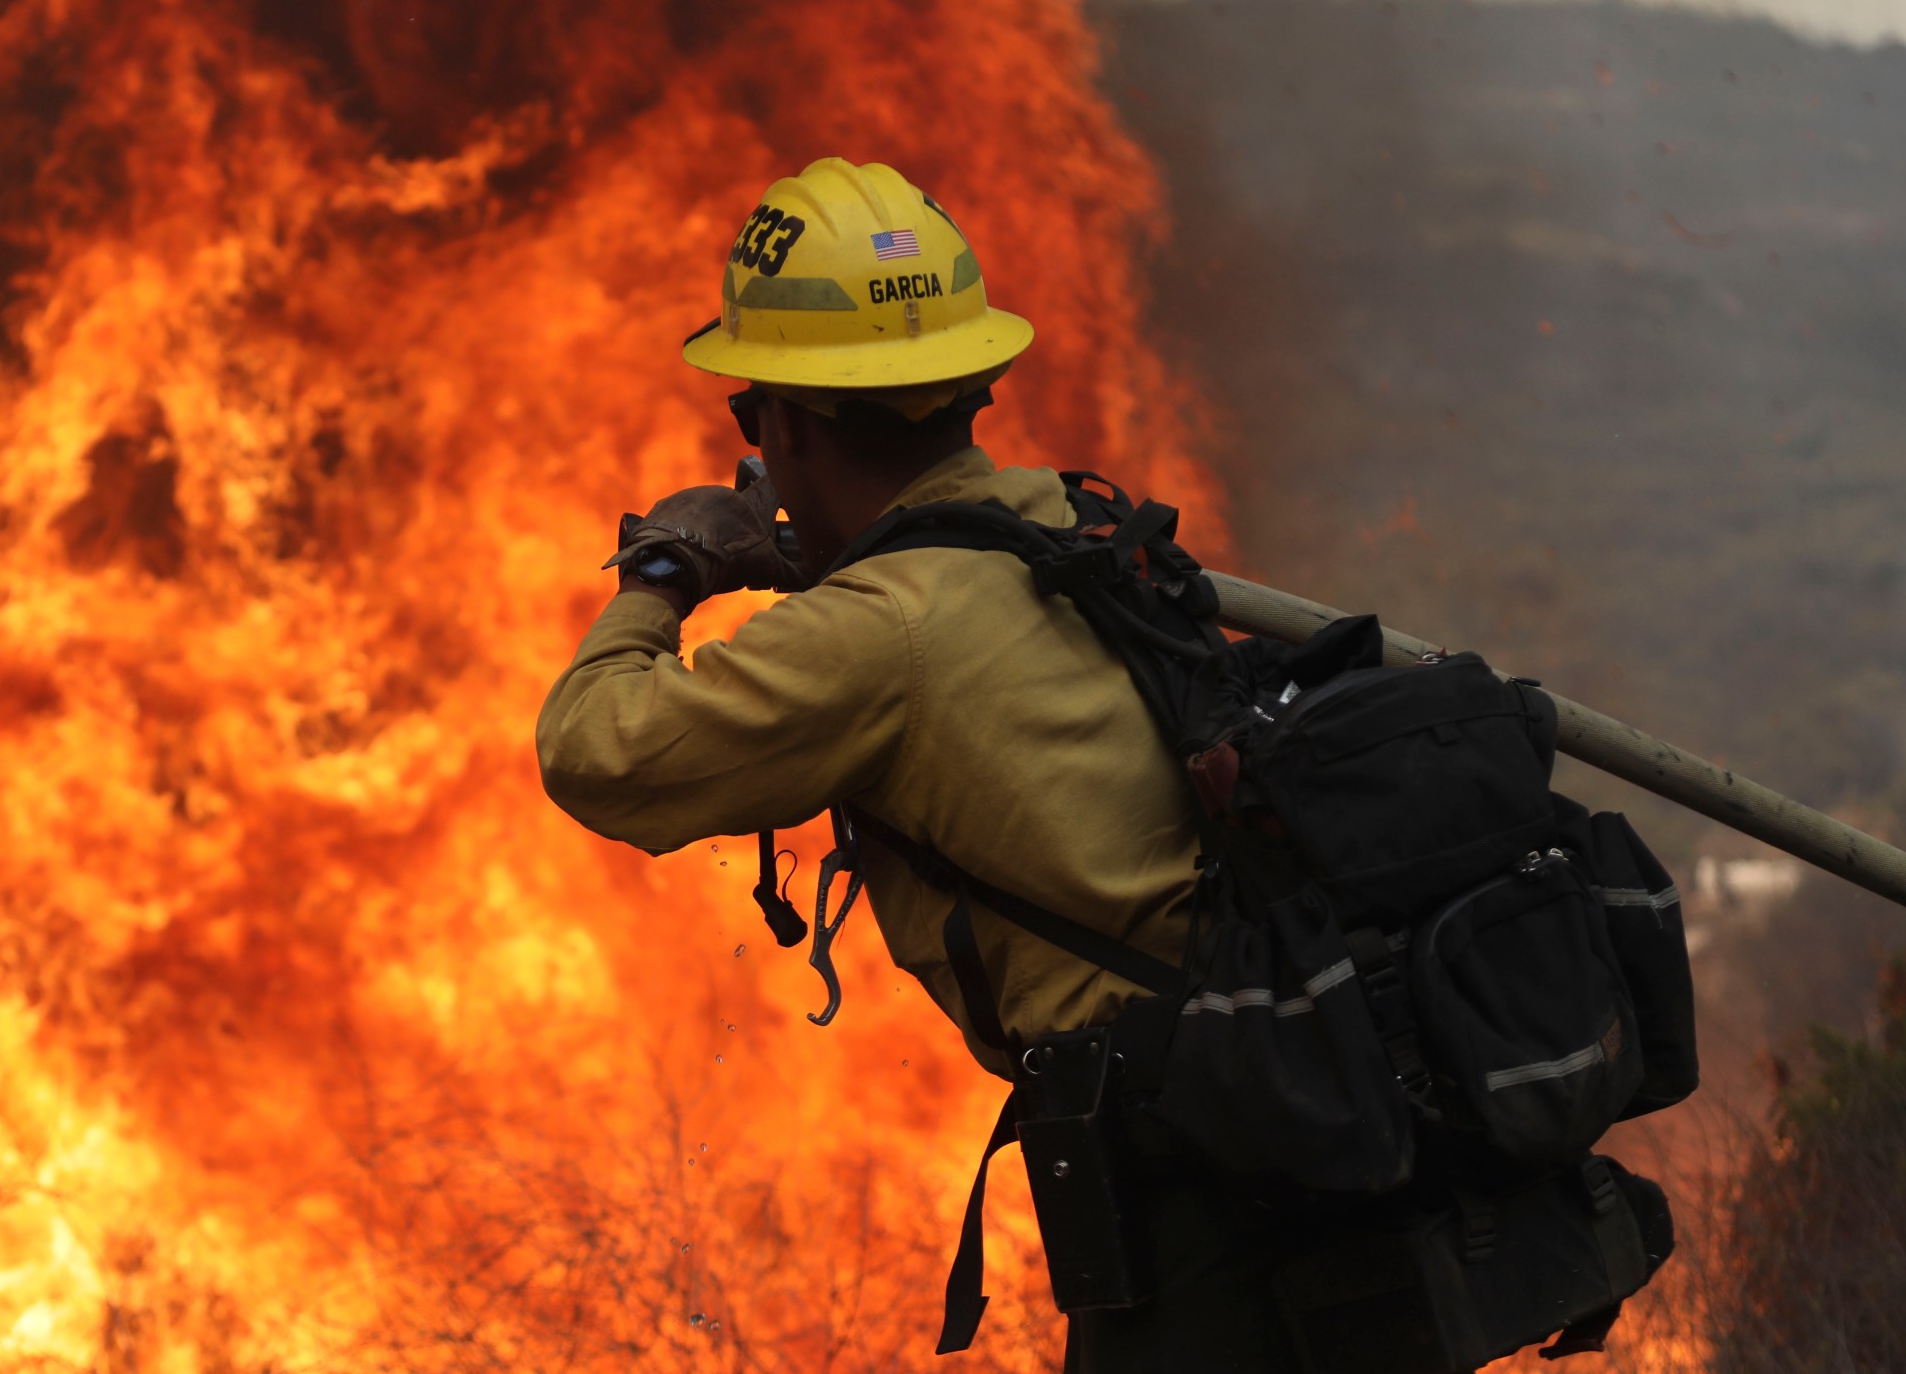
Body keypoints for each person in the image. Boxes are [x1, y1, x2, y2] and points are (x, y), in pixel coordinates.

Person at [535, 157, 1327, 1372]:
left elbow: (599, 755)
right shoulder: (1076, 530)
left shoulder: (874, 632)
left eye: (752, 414)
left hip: (1191, 1169)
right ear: (970, 389)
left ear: (786, 423)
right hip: (1283, 1092)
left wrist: (665, 571)